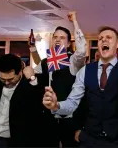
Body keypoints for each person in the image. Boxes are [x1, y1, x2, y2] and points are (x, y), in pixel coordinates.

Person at [43, 26, 118, 147]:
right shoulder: (85, 71)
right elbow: (72, 102)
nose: (104, 40)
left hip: (117, 141)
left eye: (109, 38)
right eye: (100, 39)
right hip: (89, 139)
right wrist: (56, 105)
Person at [34, 11, 87, 147]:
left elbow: (81, 51)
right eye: (55, 37)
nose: (57, 40)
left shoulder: (73, 61)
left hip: (69, 119)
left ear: (69, 43)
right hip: (48, 118)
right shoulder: (46, 61)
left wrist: (74, 21)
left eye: (62, 38)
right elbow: (36, 80)